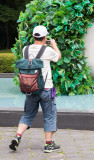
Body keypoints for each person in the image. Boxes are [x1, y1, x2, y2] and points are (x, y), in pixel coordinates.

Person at [9, 25, 62, 153]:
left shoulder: (25, 50)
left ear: (33, 36)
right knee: (49, 116)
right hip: (46, 89)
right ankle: (48, 144)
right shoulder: (47, 50)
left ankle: (18, 136)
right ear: (45, 37)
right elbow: (58, 57)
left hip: (31, 88)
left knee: (28, 114)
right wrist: (54, 45)